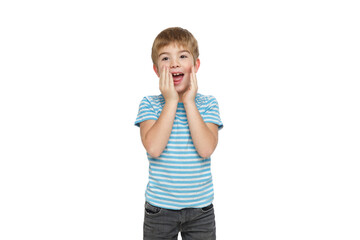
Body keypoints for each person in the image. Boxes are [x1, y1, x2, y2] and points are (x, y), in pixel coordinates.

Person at [134, 27, 223, 240]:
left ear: (196, 65)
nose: (174, 63)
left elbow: (206, 149)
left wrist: (189, 101)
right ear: (157, 70)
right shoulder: (150, 105)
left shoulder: (208, 104)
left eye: (182, 56)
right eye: (166, 58)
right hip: (159, 210)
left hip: (200, 210)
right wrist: (171, 100)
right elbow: (154, 148)